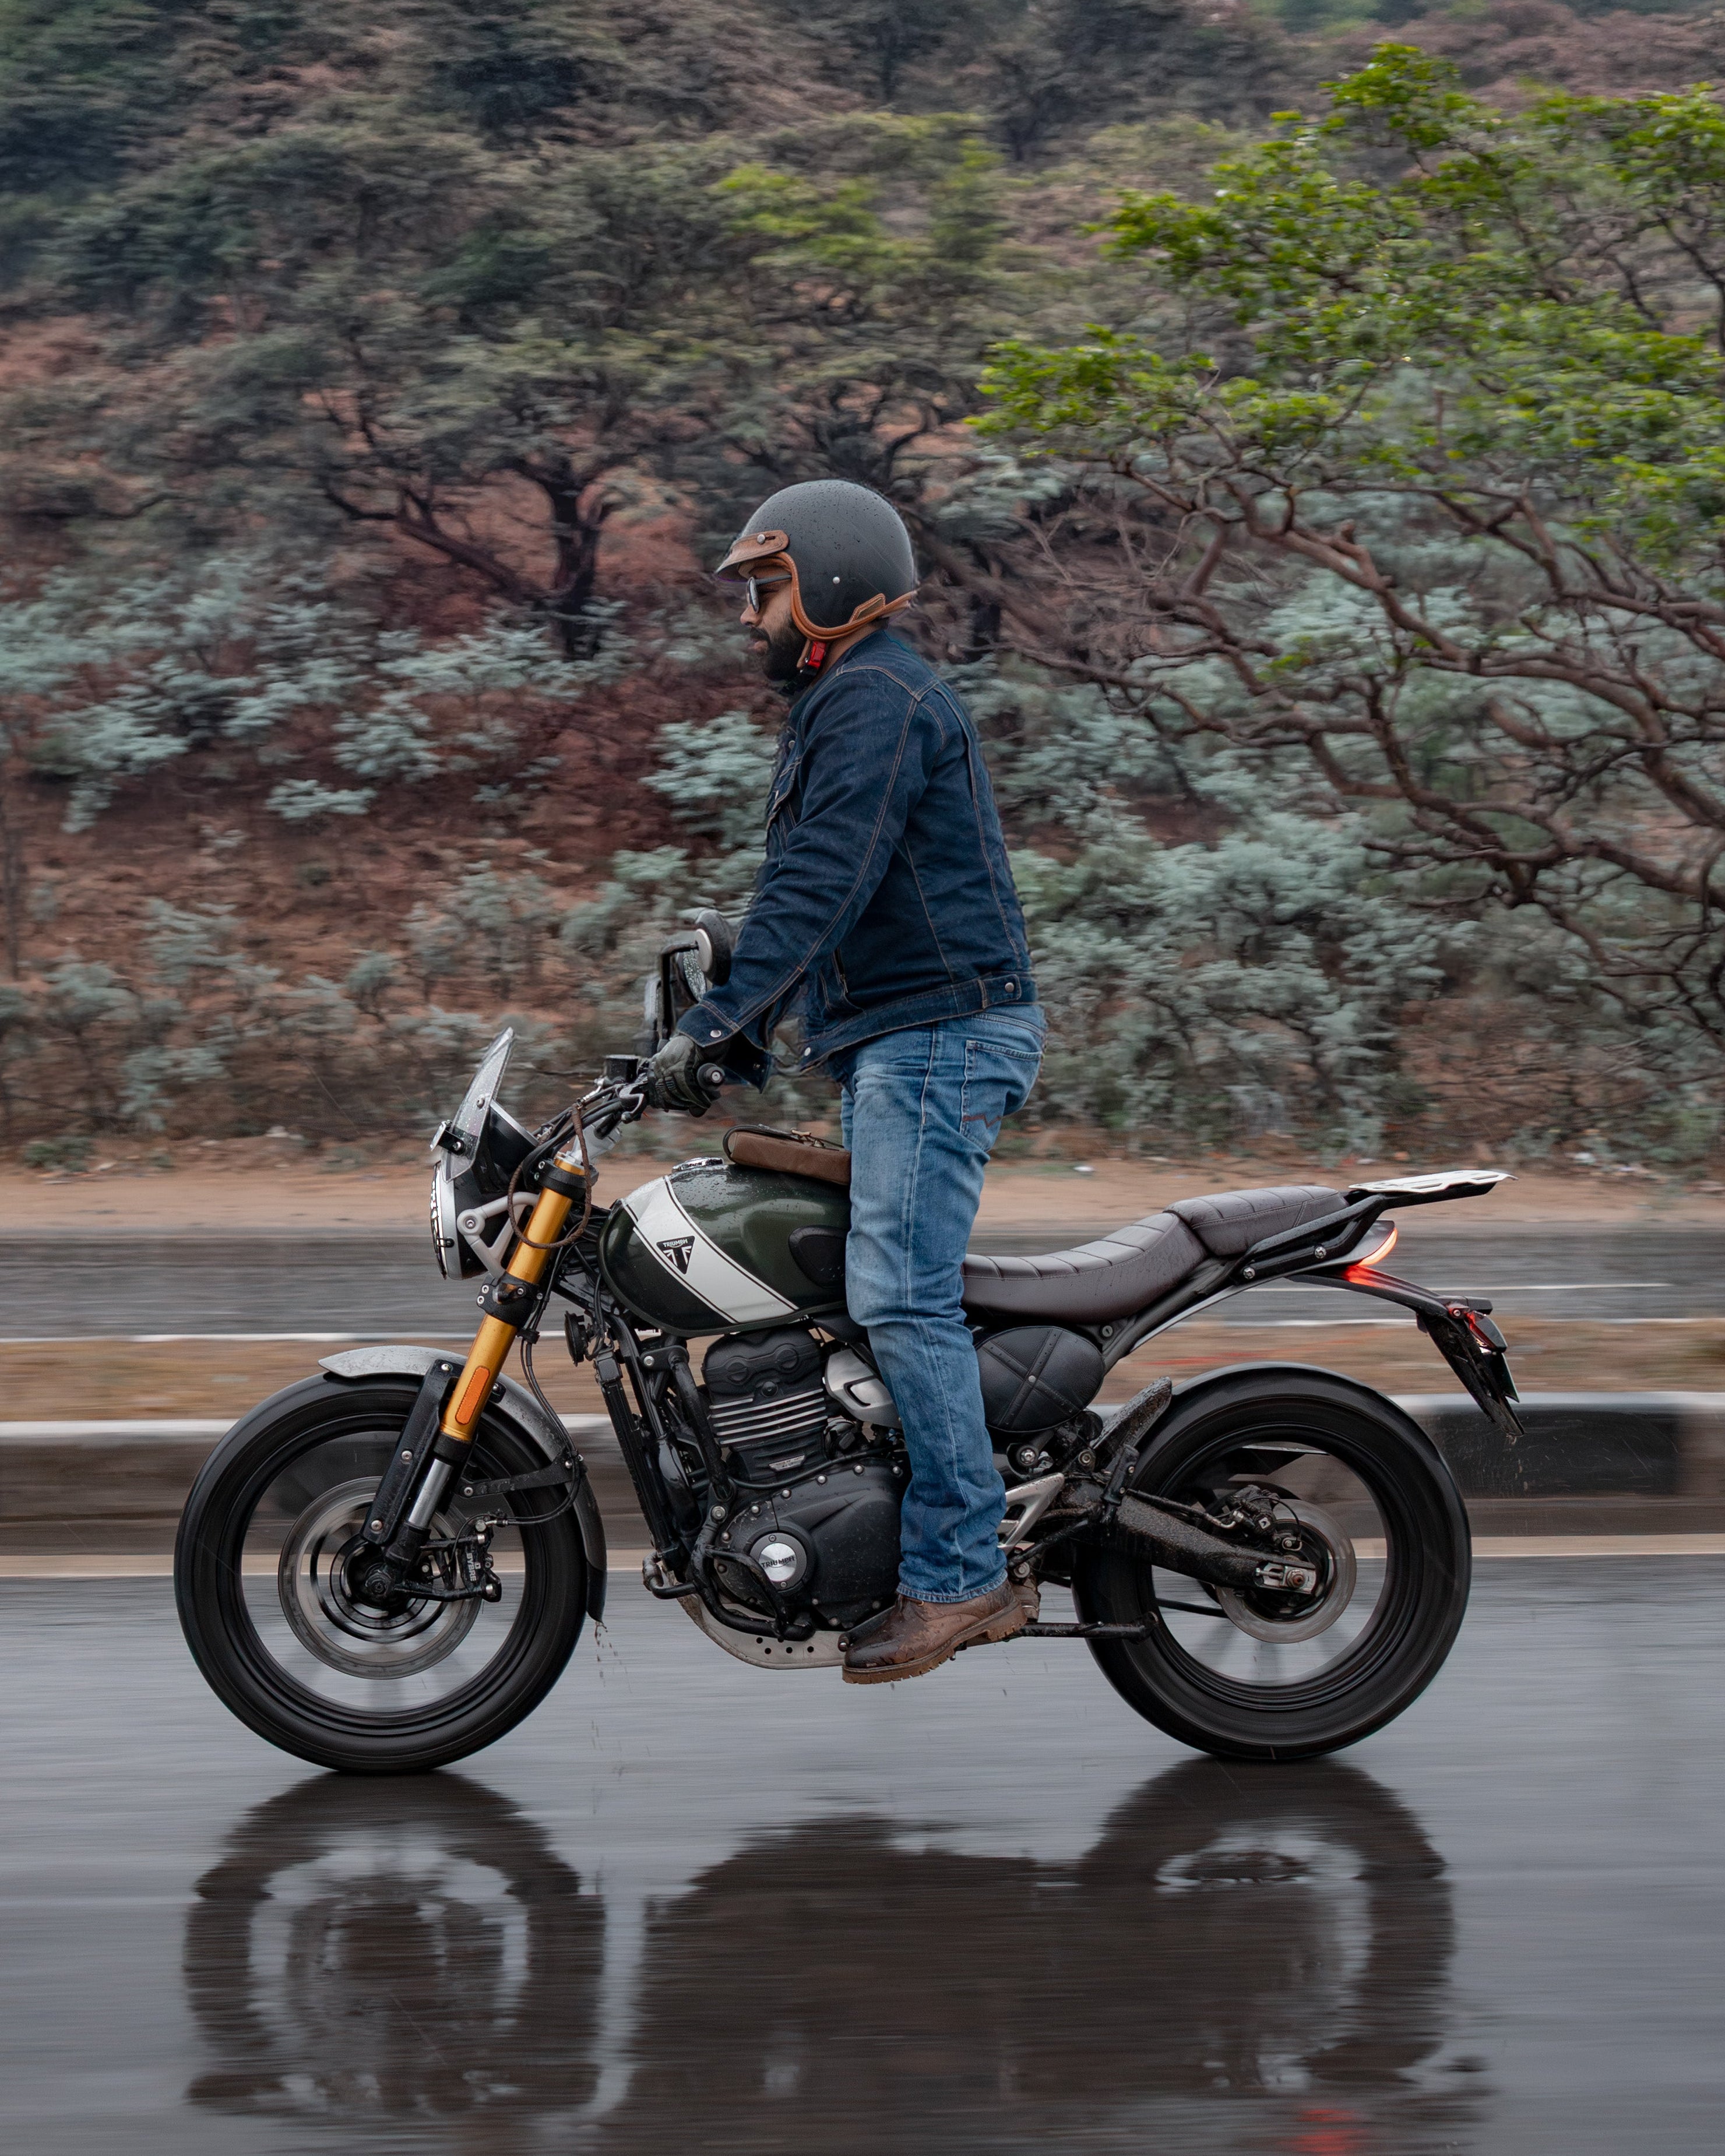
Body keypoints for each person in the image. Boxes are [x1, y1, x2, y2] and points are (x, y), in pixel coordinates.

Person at [643, 479, 1046, 1684]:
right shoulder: (847, 701)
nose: (751, 615)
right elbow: (817, 901)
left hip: (941, 1038)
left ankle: (960, 1569)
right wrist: (731, 1038)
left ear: (824, 582)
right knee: (844, 1275)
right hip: (906, 1035)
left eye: (764, 587)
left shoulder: (873, 695)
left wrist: (721, 1022)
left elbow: (824, 884)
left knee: (899, 1291)